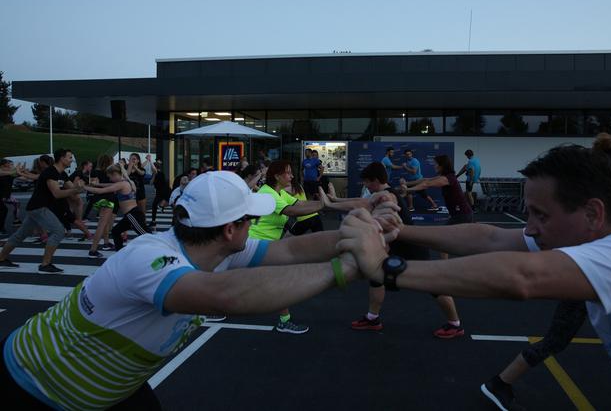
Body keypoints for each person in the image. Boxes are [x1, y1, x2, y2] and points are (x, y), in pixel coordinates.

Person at [0, 171, 376, 409]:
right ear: (230, 229)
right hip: (32, 386)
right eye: (251, 218)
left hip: (105, 391)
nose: (256, 224)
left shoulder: (222, 251)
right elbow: (224, 296)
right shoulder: (148, 257)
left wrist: (362, 233)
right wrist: (345, 268)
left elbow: (292, 249)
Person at [345, 144, 611, 411]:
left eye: (541, 215)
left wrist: (386, 269)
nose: (531, 228)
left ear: (593, 213)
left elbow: (522, 278)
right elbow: (491, 239)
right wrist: (402, 231)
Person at [480, 133, 611, 410]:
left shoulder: (609, 195)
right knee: (556, 339)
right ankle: (499, 382)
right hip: (586, 273)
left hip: (604, 273)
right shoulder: (600, 195)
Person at [348, 162, 463, 338]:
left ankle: (455, 324)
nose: (365, 185)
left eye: (367, 182)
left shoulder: (387, 195)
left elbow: (370, 205)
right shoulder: (383, 193)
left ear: (376, 180)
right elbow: (361, 204)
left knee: (434, 283)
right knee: (376, 277)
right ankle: (372, 318)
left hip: (411, 246)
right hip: (395, 244)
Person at [248, 160, 327, 334]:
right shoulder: (269, 194)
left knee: (265, 282)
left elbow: (299, 204)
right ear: (277, 176)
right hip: (257, 244)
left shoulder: (280, 193)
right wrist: (322, 205)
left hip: (267, 244)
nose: (292, 176)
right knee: (279, 282)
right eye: (288, 173)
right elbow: (291, 212)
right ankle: (284, 321)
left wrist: (324, 204)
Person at [0, 149, 83, 273]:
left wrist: (83, 186)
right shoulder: (51, 172)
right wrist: (76, 190)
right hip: (39, 207)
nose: (72, 160)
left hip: (38, 208)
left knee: (20, 235)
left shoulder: (62, 173)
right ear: (62, 158)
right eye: (70, 157)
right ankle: (45, 264)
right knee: (58, 231)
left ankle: (1, 259)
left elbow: (72, 189)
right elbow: (57, 193)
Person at [84, 164, 149, 251]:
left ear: (115, 174)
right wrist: (98, 184)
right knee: (115, 231)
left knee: (148, 237)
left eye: (110, 177)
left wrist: (84, 187)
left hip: (133, 215)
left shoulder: (121, 184)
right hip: (131, 215)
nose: (110, 179)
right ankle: (120, 253)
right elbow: (109, 185)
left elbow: (101, 191)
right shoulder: (128, 181)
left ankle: (162, 253)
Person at [86, 154, 116, 256]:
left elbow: (92, 184)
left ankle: (106, 242)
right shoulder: (110, 172)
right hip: (108, 199)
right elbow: (115, 185)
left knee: (105, 223)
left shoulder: (94, 171)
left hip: (98, 198)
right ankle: (93, 249)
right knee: (102, 224)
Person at [128, 153, 155, 224]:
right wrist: (130, 166)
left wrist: (135, 167)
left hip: (140, 193)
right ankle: (132, 224)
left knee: (142, 211)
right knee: (131, 211)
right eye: (131, 159)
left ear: (138, 160)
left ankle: (143, 224)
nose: (132, 160)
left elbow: (141, 173)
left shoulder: (141, 168)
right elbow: (126, 175)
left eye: (134, 159)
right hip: (130, 194)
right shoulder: (127, 168)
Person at [0, 159, 22, 234]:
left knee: (16, 203)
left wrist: (22, 171)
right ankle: (1, 228)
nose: (11, 165)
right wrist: (17, 169)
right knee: (3, 210)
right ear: (3, 165)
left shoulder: (9, 174)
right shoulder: (1, 171)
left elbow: (19, 175)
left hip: (6, 196)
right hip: (2, 196)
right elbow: (13, 172)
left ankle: (16, 220)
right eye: (9, 164)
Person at [150, 160, 171, 230]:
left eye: (152, 167)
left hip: (164, 191)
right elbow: (151, 182)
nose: (151, 169)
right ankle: (153, 221)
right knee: (154, 206)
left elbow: (165, 185)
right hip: (160, 192)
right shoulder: (155, 174)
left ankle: (161, 206)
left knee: (170, 203)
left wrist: (150, 161)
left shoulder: (160, 173)